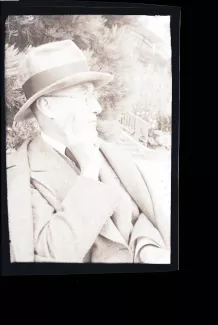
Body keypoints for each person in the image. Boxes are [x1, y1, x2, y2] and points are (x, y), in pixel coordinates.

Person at [6, 40, 170, 263]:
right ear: (47, 107)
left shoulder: (113, 155)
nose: (97, 107)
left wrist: (146, 248)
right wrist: (89, 172)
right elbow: (51, 253)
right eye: (84, 96)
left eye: (94, 96)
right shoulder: (21, 178)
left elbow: (140, 214)